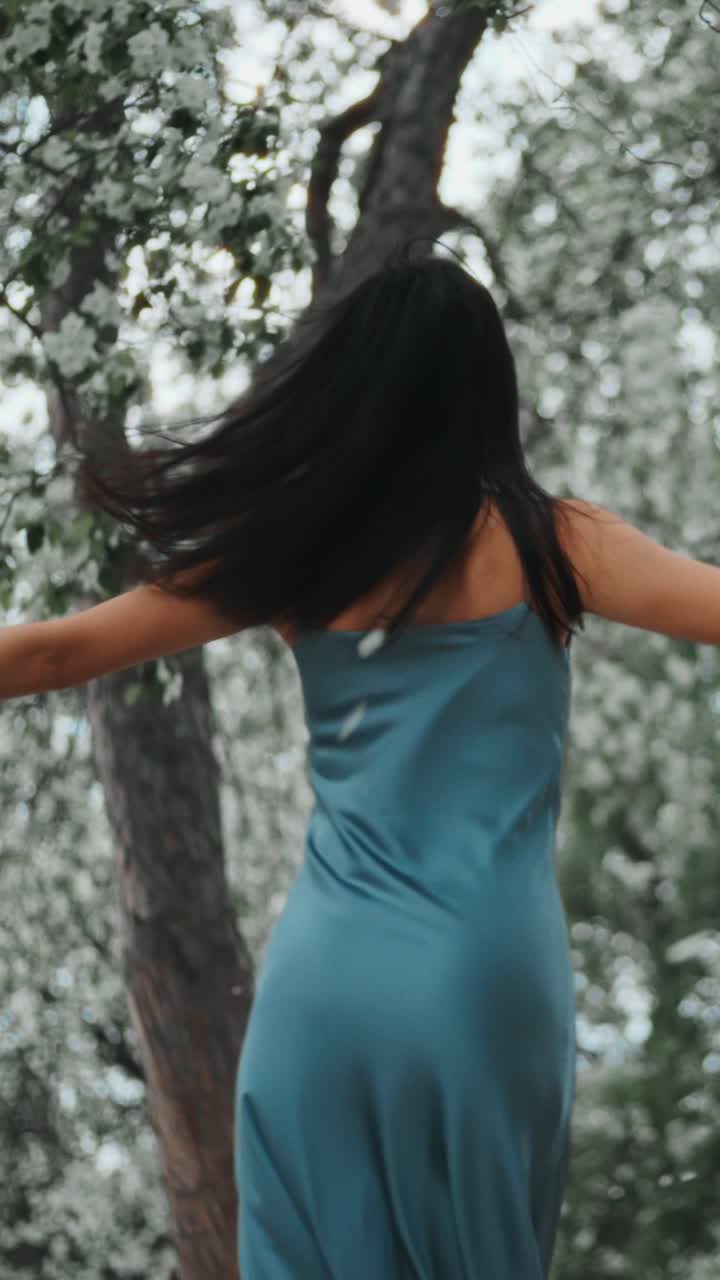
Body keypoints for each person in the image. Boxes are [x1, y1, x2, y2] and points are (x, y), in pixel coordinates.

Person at [2, 243, 719, 1278]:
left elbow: (58, 649)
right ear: (484, 390)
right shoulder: (559, 541)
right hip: (488, 976)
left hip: (328, 981)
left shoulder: (299, 552)